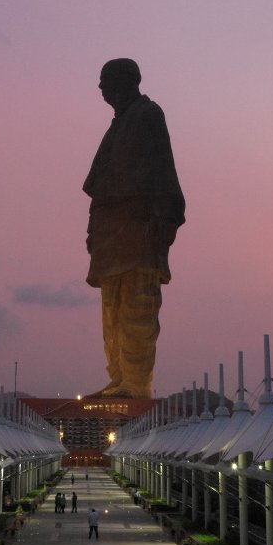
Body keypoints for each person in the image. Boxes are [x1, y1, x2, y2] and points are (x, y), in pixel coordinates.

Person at [83, 58, 185, 399]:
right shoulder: (117, 125)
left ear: (126, 81)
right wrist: (92, 230)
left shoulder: (147, 115)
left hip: (139, 227)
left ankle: (136, 382)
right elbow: (98, 187)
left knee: (137, 304)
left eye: (105, 81)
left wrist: (163, 216)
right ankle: (120, 376)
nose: (100, 89)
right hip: (111, 232)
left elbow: (161, 168)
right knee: (111, 309)